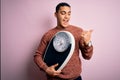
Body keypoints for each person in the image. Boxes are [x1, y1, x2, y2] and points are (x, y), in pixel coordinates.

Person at [34, 2, 93, 80]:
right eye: (63, 13)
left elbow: (87, 57)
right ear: (56, 14)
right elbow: (37, 56)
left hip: (75, 78)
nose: (66, 17)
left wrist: (88, 44)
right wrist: (46, 69)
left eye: (69, 14)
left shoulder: (78, 31)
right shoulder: (48, 35)